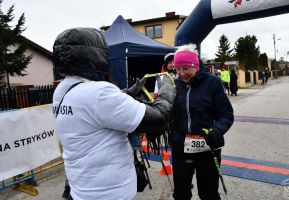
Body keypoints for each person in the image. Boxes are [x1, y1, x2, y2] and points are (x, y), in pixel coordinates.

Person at [52, 27, 176, 200]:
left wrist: (124, 94)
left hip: (81, 188)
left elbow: (92, 111)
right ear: (96, 55)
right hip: (109, 193)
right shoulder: (98, 93)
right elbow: (159, 118)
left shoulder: (63, 90)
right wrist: (167, 87)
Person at [171, 44, 234, 200]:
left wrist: (215, 131)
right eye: (178, 69)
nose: (181, 73)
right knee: (181, 193)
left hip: (206, 145)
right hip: (181, 146)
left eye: (185, 68)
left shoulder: (212, 82)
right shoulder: (174, 84)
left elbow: (226, 115)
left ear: (195, 66)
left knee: (208, 193)